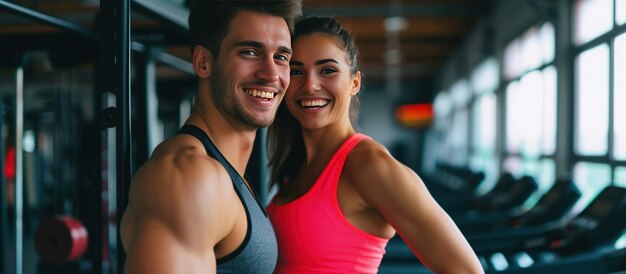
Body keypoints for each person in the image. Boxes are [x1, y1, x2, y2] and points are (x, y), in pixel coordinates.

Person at [266, 16, 484, 274]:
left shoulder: (369, 164)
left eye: (327, 70)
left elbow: (467, 270)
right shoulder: (296, 164)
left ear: (354, 83)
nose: (310, 85)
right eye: (296, 71)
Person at [120, 1, 301, 273]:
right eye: (250, 52)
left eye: (281, 57)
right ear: (203, 62)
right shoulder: (189, 178)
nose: (271, 73)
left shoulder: (225, 173)